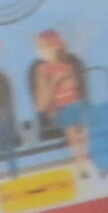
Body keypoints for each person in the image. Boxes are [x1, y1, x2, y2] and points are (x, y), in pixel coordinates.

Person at [28, 29, 92, 180]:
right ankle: (80, 163)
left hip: (75, 102)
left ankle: (85, 159)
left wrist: (66, 80)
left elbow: (75, 84)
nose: (41, 51)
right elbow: (40, 105)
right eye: (39, 47)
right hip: (61, 108)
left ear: (56, 46)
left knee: (82, 130)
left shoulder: (67, 65)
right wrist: (53, 82)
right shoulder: (42, 70)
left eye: (44, 46)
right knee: (72, 133)